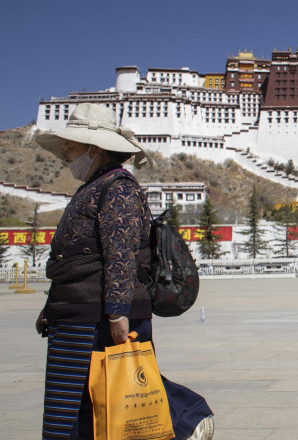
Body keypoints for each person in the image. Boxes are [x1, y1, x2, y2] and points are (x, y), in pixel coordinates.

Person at [33, 103, 214, 440]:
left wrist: (118, 313)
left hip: (102, 317)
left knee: (114, 400)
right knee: (75, 410)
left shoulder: (118, 188)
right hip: (76, 315)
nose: (66, 154)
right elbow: (75, 259)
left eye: (71, 146)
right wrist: (51, 308)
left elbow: (121, 253)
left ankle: (187, 419)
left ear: (94, 147)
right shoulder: (92, 187)